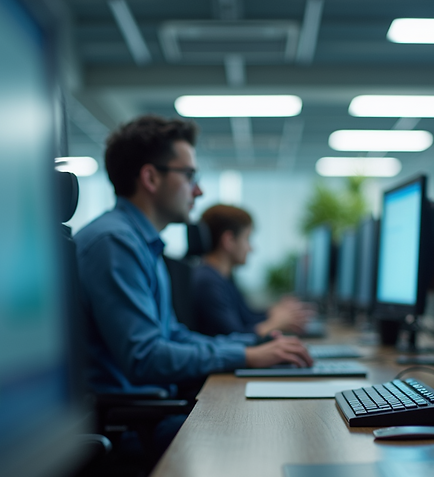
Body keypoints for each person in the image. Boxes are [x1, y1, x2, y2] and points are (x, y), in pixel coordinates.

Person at [74, 115, 313, 402]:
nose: (199, 191)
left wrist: (251, 343)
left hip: (154, 404)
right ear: (151, 178)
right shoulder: (114, 243)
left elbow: (174, 336)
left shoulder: (141, 243)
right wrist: (247, 355)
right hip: (135, 417)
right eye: (189, 176)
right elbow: (145, 357)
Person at [193, 204, 314, 338]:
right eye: (247, 238)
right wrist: (275, 323)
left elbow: (246, 318)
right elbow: (235, 338)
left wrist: (273, 312)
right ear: (229, 240)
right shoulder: (208, 282)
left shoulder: (222, 277)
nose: (251, 248)